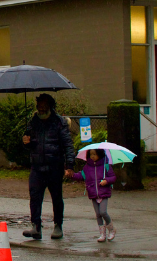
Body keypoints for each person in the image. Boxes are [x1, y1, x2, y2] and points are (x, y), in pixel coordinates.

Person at [21, 93, 75, 240]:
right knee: (35, 197)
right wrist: (26, 142)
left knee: (56, 198)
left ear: (50, 106)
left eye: (44, 106)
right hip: (37, 167)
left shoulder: (59, 122)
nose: (41, 109)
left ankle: (58, 226)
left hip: (54, 166)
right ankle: (36, 226)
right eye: (39, 106)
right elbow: (30, 143)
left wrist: (69, 165)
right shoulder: (33, 121)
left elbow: (68, 144)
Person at [70, 149, 116, 242]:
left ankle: (111, 229)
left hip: (103, 193)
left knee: (103, 212)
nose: (92, 156)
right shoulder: (87, 167)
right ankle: (102, 234)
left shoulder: (105, 166)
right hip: (93, 193)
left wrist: (107, 181)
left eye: (95, 154)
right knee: (98, 214)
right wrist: (72, 175)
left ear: (99, 154)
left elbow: (113, 177)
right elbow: (81, 175)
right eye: (91, 154)